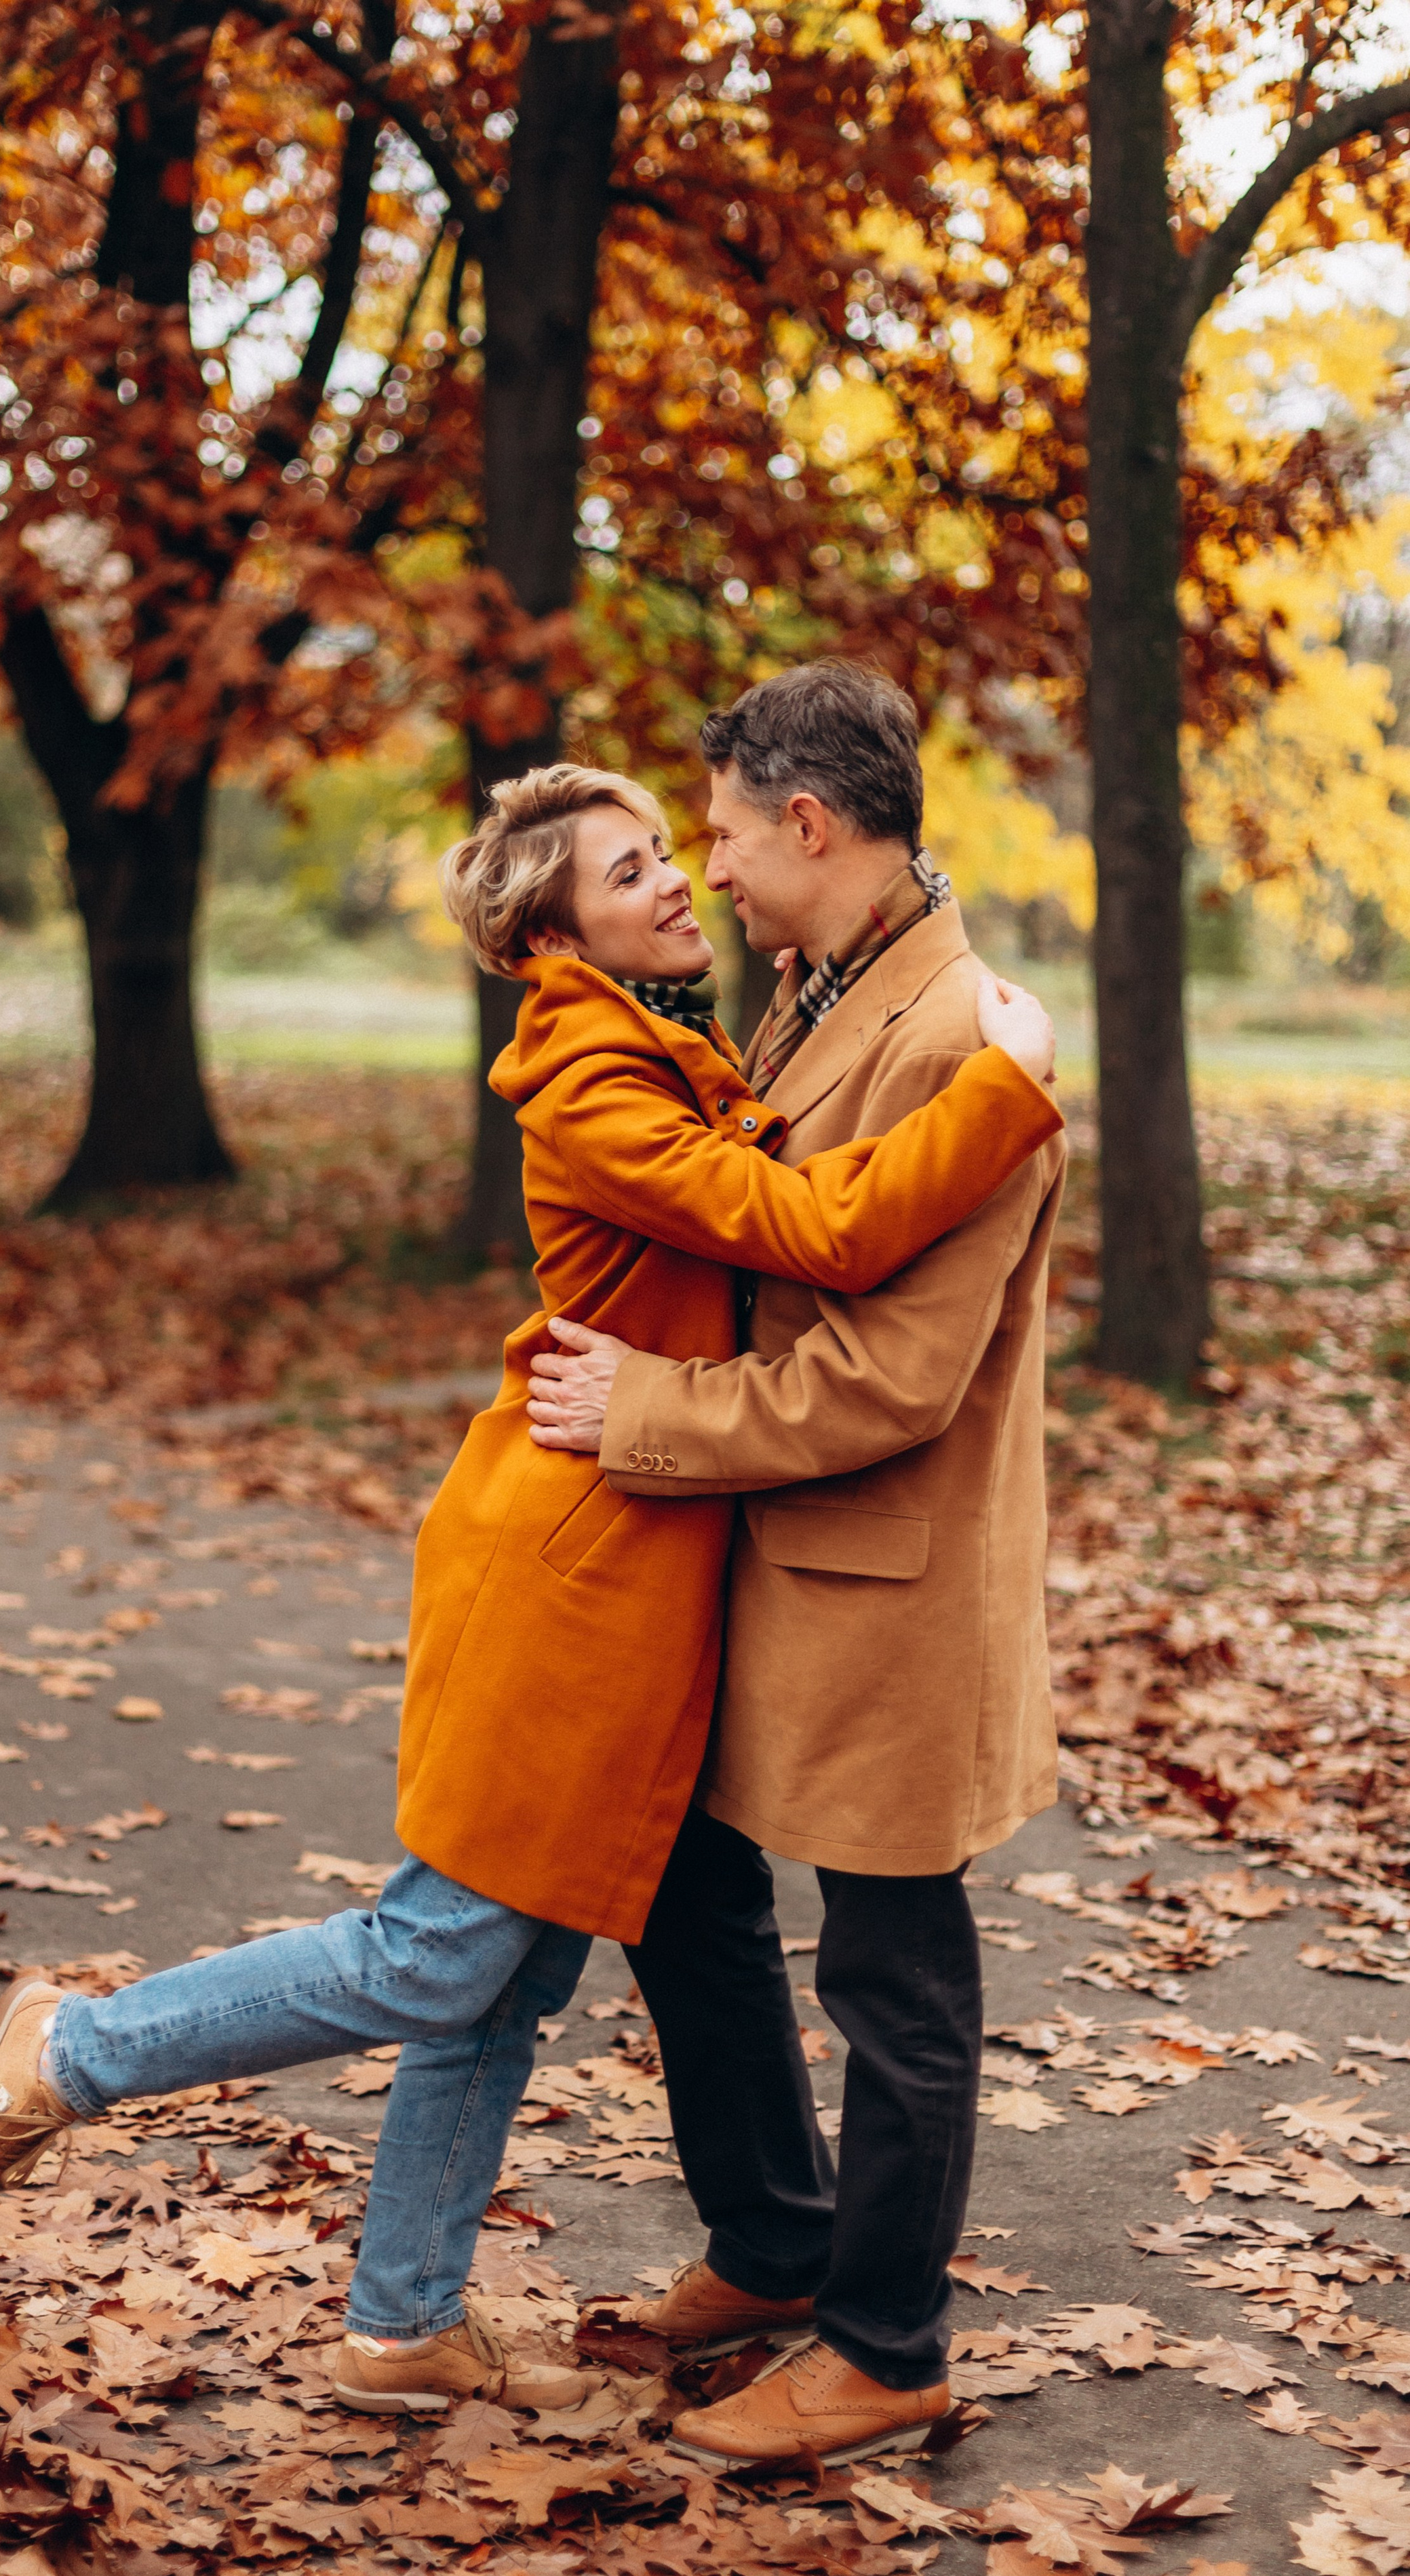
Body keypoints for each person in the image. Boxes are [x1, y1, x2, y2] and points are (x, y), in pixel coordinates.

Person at [0, 756, 1060, 2423]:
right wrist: (1007, 1086)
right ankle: (70, 2049)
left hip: (647, 1554)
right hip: (579, 1566)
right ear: (553, 931)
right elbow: (800, 1220)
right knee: (439, 1949)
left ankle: (400, 2322)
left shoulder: (678, 1033)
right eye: (628, 871)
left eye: (678, 850)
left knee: (508, 1969)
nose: (678, 881)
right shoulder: (590, 1075)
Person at [525, 660, 1068, 2468]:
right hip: (766, 1560)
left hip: (882, 1571)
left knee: (896, 1963)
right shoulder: (815, 984)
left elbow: (898, 1376)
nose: (716, 876)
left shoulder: (958, 1035)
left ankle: (887, 2338)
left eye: (734, 838)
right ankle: (774, 2237)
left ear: (813, 824)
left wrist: (649, 1413)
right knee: (682, 1885)